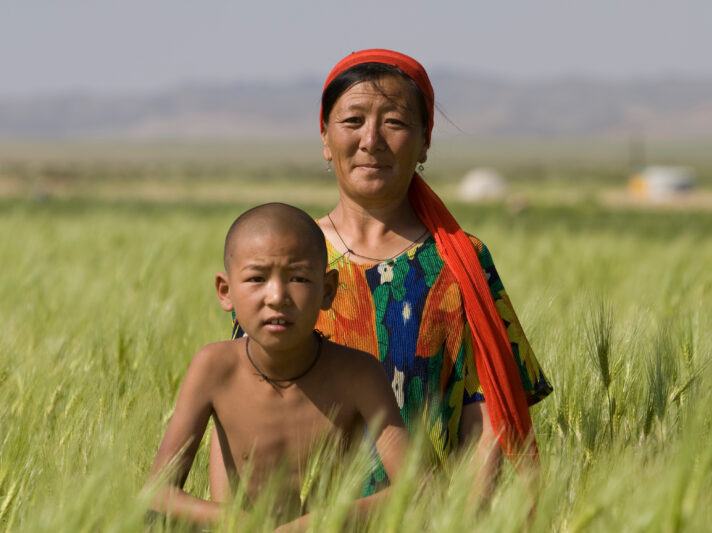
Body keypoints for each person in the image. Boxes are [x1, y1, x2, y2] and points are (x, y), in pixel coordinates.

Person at [212, 48, 552, 498]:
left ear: (425, 139)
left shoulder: (461, 264)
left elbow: (487, 421)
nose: (371, 139)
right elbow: (241, 408)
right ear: (324, 136)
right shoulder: (284, 254)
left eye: (393, 122)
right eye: (352, 122)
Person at [147, 203, 408, 528]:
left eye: (297, 278)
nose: (277, 296)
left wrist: (318, 523)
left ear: (327, 290)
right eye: (257, 278)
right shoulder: (214, 367)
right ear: (225, 292)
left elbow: (417, 488)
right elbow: (157, 493)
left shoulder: (357, 374)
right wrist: (239, 521)